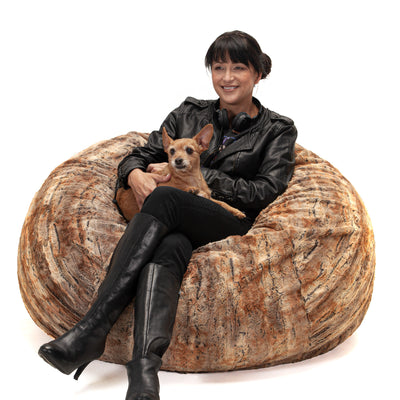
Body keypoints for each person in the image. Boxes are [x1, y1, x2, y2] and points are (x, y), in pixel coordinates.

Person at [38, 30, 297, 400]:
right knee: (170, 245)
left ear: (258, 74)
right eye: (218, 67)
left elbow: (266, 191)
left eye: (238, 68)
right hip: (178, 221)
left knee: (165, 199)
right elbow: (139, 154)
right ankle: (144, 372)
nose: (227, 77)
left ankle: (92, 329)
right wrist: (135, 174)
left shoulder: (277, 130)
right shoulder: (188, 112)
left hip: (229, 220)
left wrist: (196, 175)